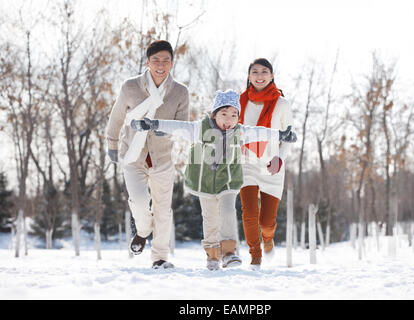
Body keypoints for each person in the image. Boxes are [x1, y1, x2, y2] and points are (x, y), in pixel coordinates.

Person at [131, 89, 297, 270]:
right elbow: (177, 126)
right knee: (209, 219)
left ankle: (228, 253)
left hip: (228, 181)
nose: (229, 120)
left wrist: (281, 135)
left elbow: (260, 132)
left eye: (234, 115)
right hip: (205, 184)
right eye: (224, 114)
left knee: (227, 211)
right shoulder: (198, 129)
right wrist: (153, 124)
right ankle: (212, 255)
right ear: (214, 114)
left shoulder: (240, 132)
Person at [106, 40, 189, 269]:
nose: (160, 65)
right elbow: (116, 118)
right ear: (147, 62)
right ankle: (142, 230)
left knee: (164, 209)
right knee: (140, 203)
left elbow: (182, 125)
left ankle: (160, 258)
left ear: (172, 63)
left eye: (165, 60)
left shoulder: (180, 92)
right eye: (155, 60)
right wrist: (112, 144)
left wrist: (160, 126)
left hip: (162, 157)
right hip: (133, 155)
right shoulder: (130, 87)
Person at [239, 58, 294, 270]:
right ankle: (255, 256)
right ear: (249, 76)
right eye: (255, 71)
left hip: (272, 165)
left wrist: (280, 157)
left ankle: (268, 237)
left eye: (264, 71)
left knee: (266, 222)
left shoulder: (282, 104)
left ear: (271, 76)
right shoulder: (240, 101)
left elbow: (288, 136)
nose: (259, 75)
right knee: (249, 212)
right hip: (246, 162)